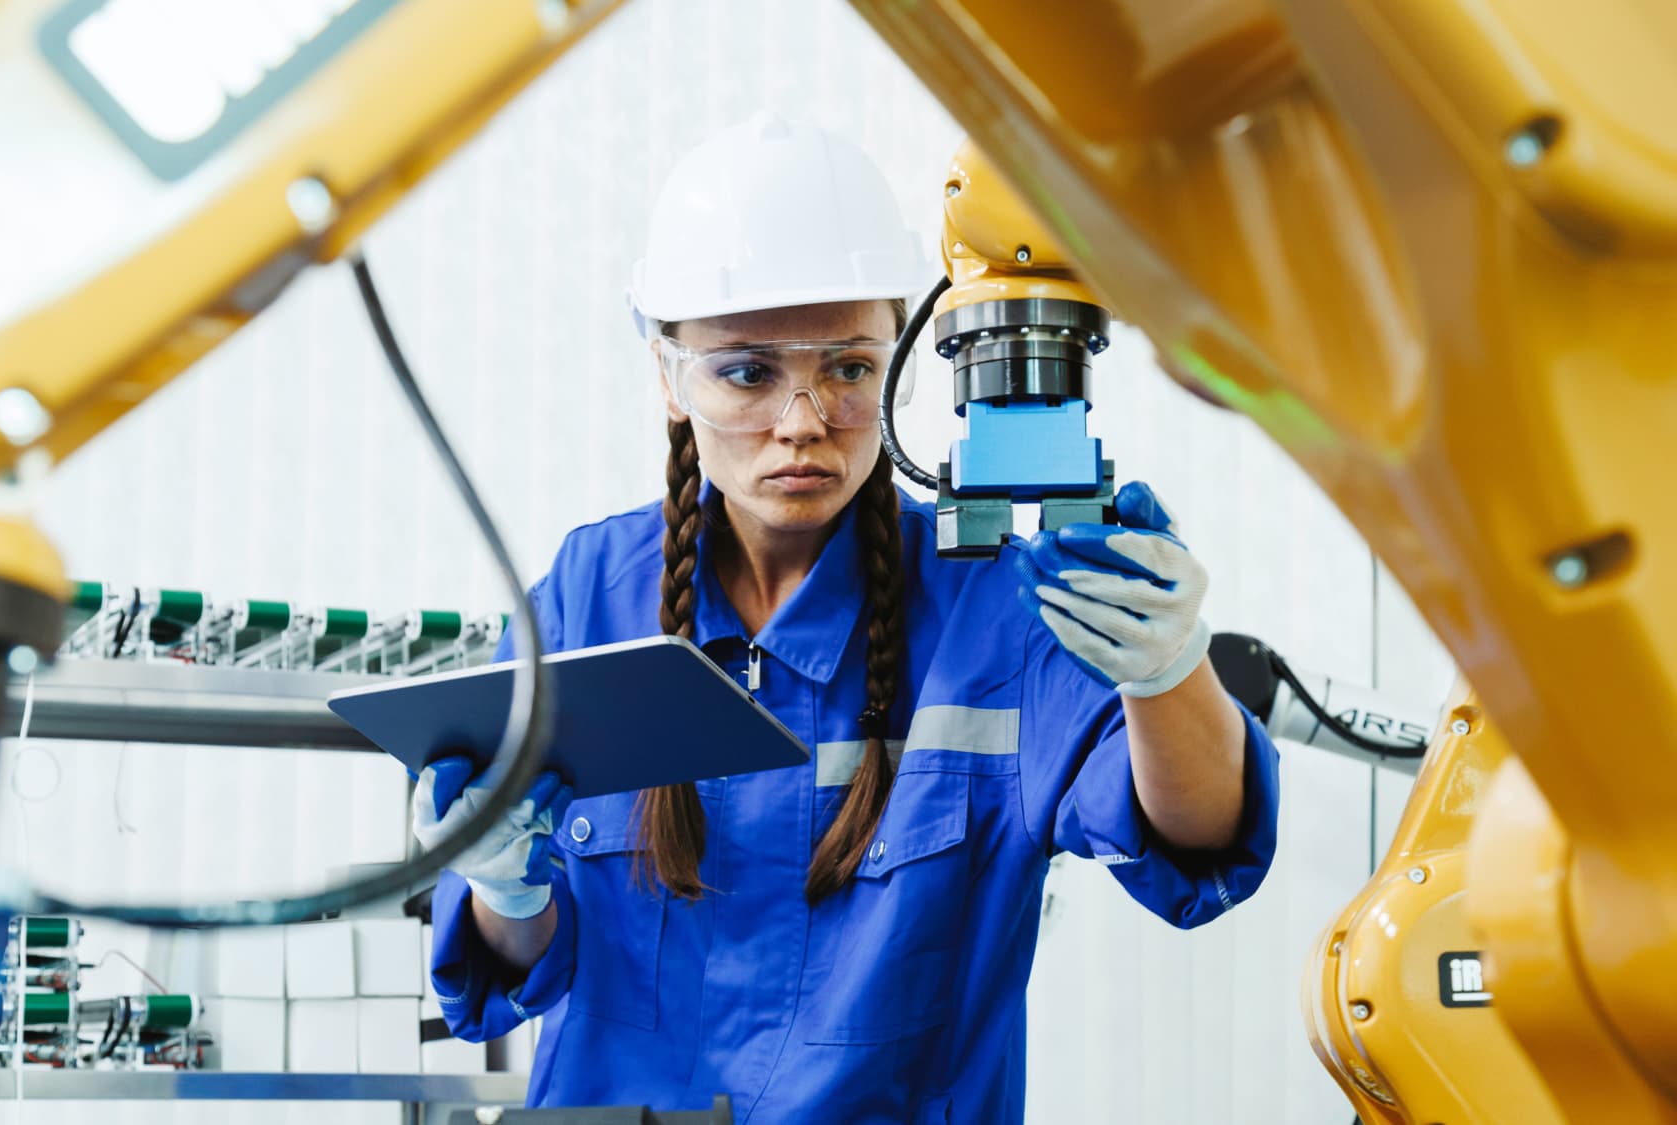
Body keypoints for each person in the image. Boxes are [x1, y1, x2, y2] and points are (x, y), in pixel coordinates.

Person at [413, 113, 1281, 1124]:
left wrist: (1167, 670)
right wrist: (503, 893)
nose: (802, 420)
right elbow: (514, 968)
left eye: (847, 369)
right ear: (667, 374)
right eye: (747, 372)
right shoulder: (585, 597)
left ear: (893, 364)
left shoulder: (992, 612)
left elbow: (1201, 842)